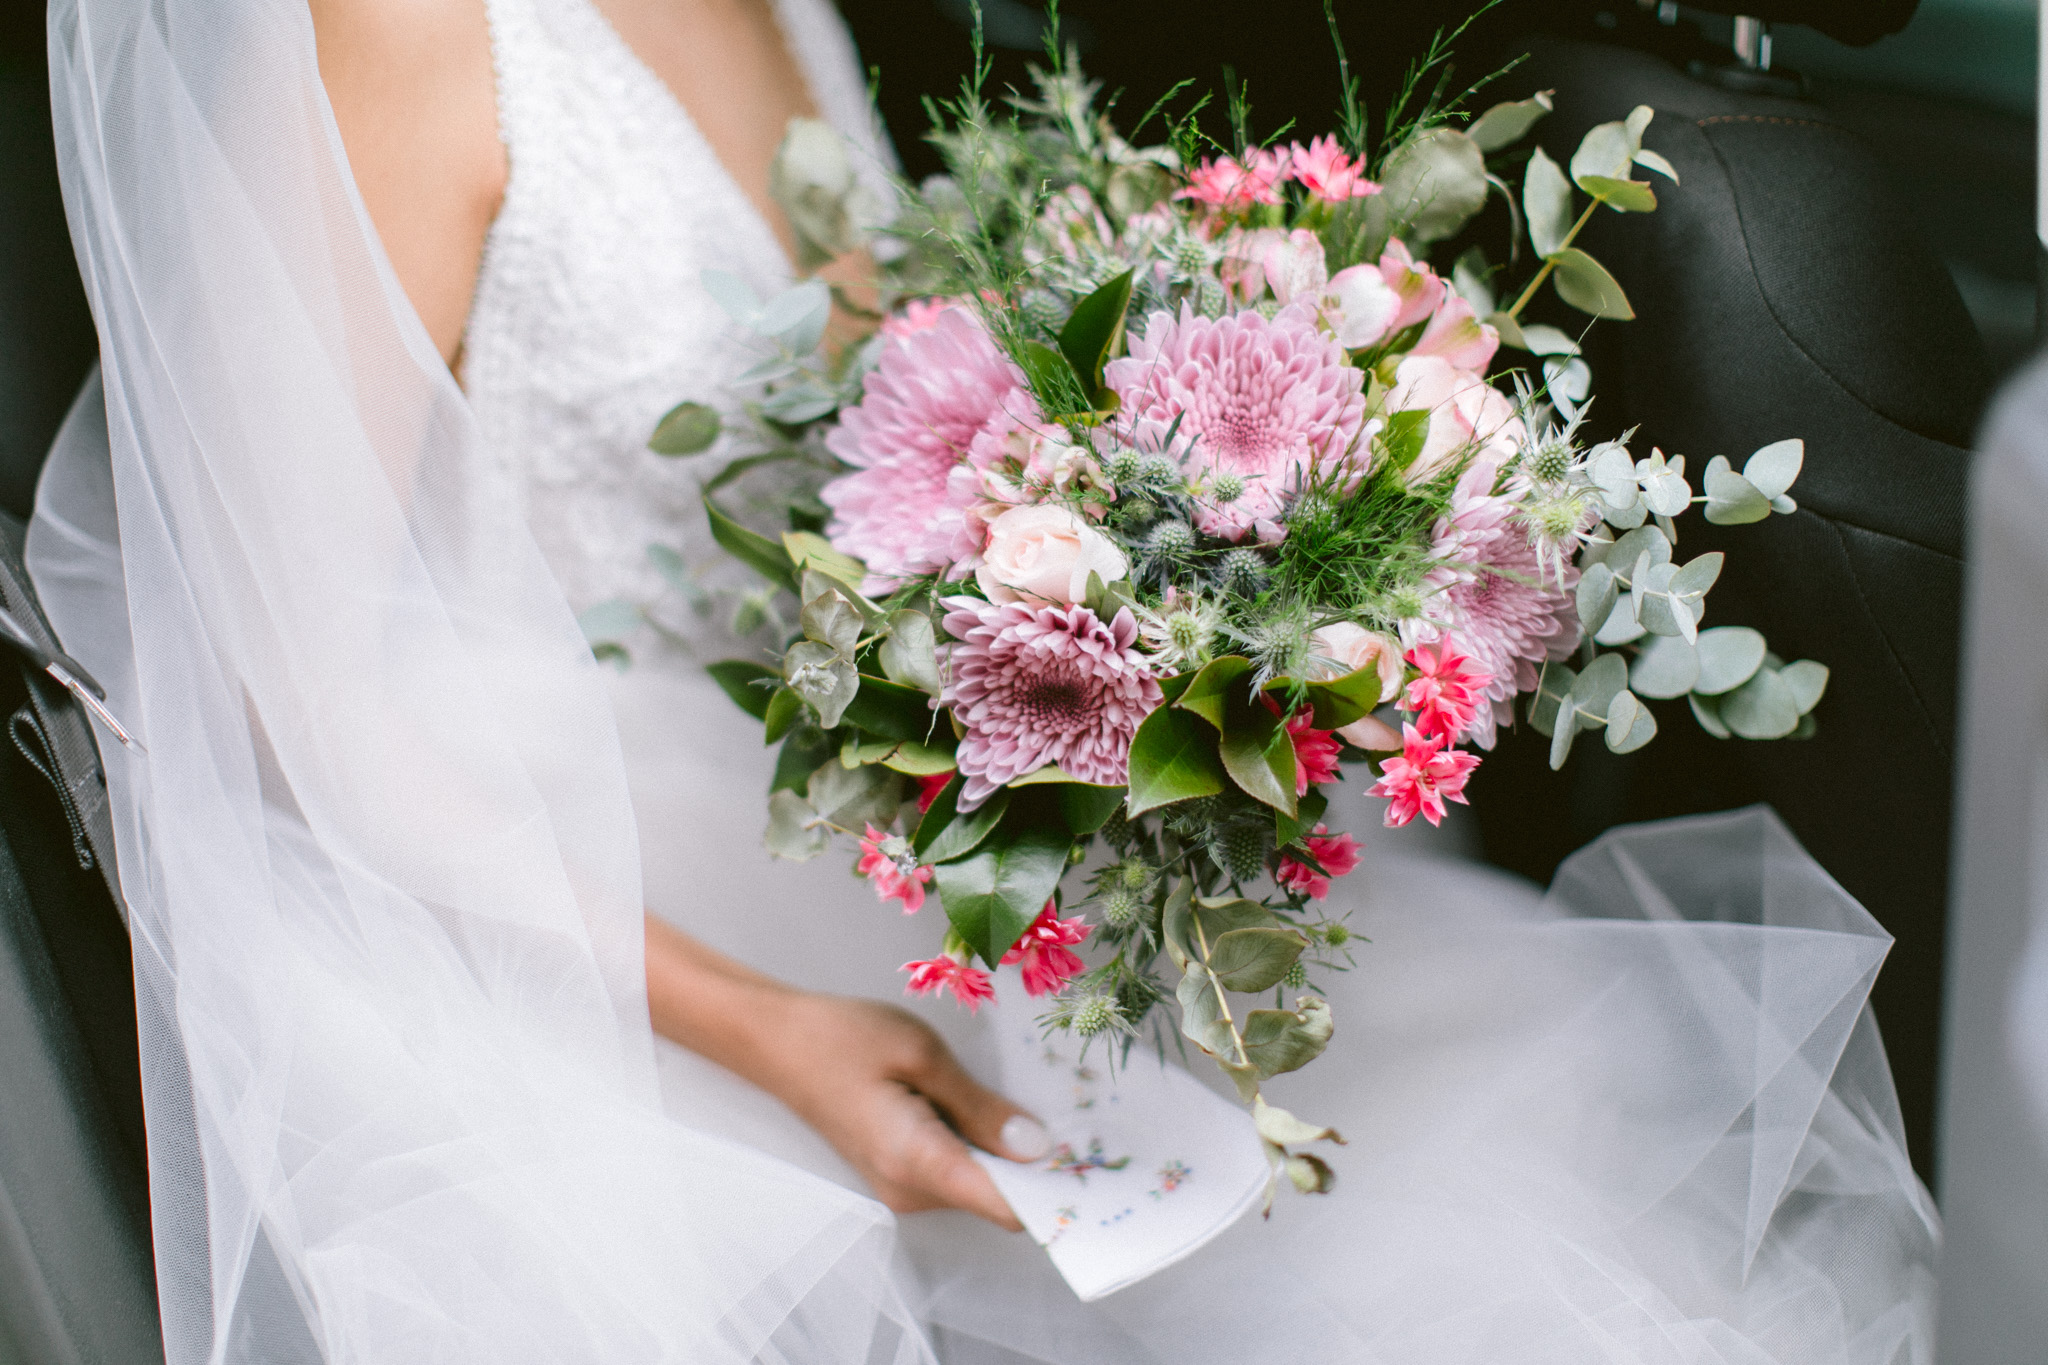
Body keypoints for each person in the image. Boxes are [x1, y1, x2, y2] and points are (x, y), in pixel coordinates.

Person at [29, 0, 1939, 1360]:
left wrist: (1174, 544)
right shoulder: (392, 26)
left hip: (861, 772)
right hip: (565, 880)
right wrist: (777, 1030)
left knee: (1540, 1088)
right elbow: (290, 707)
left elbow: (883, 407)